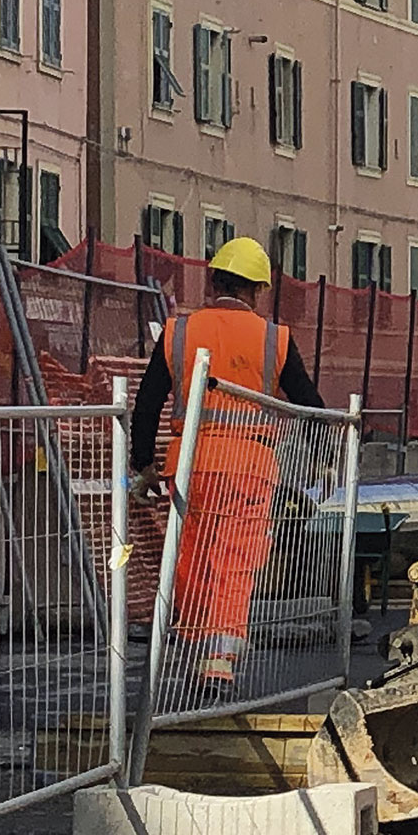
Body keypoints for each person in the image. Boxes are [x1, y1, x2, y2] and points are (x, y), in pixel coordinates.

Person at [131, 237, 326, 688]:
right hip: (249, 465)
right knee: (237, 557)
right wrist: (326, 456)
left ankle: (197, 645)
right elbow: (310, 404)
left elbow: (147, 404)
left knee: (193, 556)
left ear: (214, 280)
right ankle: (220, 658)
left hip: (190, 464)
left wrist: (143, 465)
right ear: (257, 290)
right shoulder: (274, 338)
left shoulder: (180, 331)